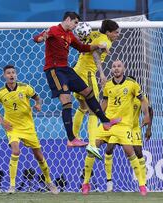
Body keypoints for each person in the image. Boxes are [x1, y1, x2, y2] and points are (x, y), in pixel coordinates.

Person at [33, 11, 120, 148]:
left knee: (88, 92)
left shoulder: (69, 35)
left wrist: (97, 46)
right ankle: (71, 138)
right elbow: (37, 38)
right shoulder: (54, 30)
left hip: (66, 69)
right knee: (67, 100)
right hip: (54, 70)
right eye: (75, 23)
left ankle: (105, 121)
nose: (76, 26)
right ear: (68, 19)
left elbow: (82, 47)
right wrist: (42, 37)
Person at [81, 60, 150, 196]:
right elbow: (105, 102)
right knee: (92, 148)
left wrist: (146, 115)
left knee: (130, 152)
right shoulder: (107, 86)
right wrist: (99, 114)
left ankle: (142, 185)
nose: (116, 68)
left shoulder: (132, 84)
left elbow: (143, 100)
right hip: (108, 123)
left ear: (123, 68)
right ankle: (86, 183)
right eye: (114, 66)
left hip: (124, 125)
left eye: (119, 66)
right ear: (111, 70)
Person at [0, 65, 58, 194]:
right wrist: (2, 121)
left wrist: (38, 104)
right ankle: (12, 186)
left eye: (13, 73)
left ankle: (49, 181)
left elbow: (38, 98)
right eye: (8, 73)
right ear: (4, 76)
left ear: (16, 75)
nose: (11, 75)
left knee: (39, 156)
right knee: (15, 151)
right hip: (12, 127)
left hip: (28, 127)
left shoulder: (25, 88)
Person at [72, 20, 120, 159]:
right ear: (108, 32)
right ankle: (92, 144)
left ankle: (73, 137)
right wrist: (102, 73)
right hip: (87, 74)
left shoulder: (92, 33)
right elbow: (96, 54)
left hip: (76, 71)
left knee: (83, 106)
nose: (117, 35)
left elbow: (85, 44)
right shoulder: (106, 41)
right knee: (94, 108)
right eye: (116, 32)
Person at [103, 76, 153, 192]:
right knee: (109, 148)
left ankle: (143, 184)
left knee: (139, 152)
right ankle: (109, 181)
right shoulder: (121, 96)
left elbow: (150, 111)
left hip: (134, 128)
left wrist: (149, 129)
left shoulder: (140, 98)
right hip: (119, 126)